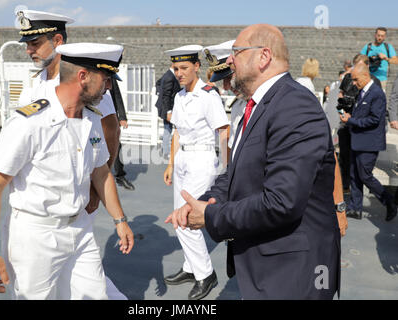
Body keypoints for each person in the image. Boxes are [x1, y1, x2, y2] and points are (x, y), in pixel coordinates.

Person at [166, 24, 341, 299]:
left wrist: (211, 216)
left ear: (264, 57)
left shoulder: (294, 105)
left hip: (292, 272)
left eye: (236, 52)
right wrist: (207, 201)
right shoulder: (261, 104)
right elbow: (236, 172)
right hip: (269, 265)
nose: (230, 60)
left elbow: (281, 202)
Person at [0, 43, 135, 300]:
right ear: (83, 77)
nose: (109, 88)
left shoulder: (92, 119)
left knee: (97, 295)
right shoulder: (29, 123)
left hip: (80, 228)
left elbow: (101, 172)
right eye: (106, 80)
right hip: (36, 236)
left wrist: (120, 219)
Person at [13, 9, 127, 299]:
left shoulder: (86, 82)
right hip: (36, 211)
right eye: (28, 43)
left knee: (91, 286)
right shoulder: (34, 85)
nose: (29, 50)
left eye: (35, 43)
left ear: (58, 40)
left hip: (76, 206)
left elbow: (109, 131)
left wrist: (95, 188)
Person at [162, 44, 229, 300]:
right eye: (176, 68)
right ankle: (191, 267)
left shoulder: (208, 94)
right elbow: (176, 131)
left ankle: (205, 274)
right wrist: (171, 163)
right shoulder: (180, 96)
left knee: (184, 220)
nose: (179, 73)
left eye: (184, 68)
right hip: (182, 158)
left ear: (197, 67)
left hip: (201, 158)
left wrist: (225, 168)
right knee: (182, 219)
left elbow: (223, 130)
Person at [340, 63, 397, 222]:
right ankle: (355, 208)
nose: (354, 83)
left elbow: (374, 119)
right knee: (354, 174)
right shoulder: (362, 91)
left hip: (369, 142)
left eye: (356, 80)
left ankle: (389, 202)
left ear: (366, 76)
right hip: (358, 140)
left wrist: (351, 120)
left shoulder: (377, 93)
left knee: (364, 175)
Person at [110, 77, 135, 190]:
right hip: (93, 118)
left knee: (116, 147)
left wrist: (122, 117)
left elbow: (116, 95)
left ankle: (120, 176)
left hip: (110, 117)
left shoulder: (108, 71)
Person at [155, 64, 181, 158]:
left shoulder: (167, 74)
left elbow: (158, 83)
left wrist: (159, 92)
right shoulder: (170, 77)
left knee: (167, 128)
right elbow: (167, 96)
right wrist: (169, 111)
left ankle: (164, 149)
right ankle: (166, 152)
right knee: (167, 129)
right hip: (167, 108)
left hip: (165, 107)